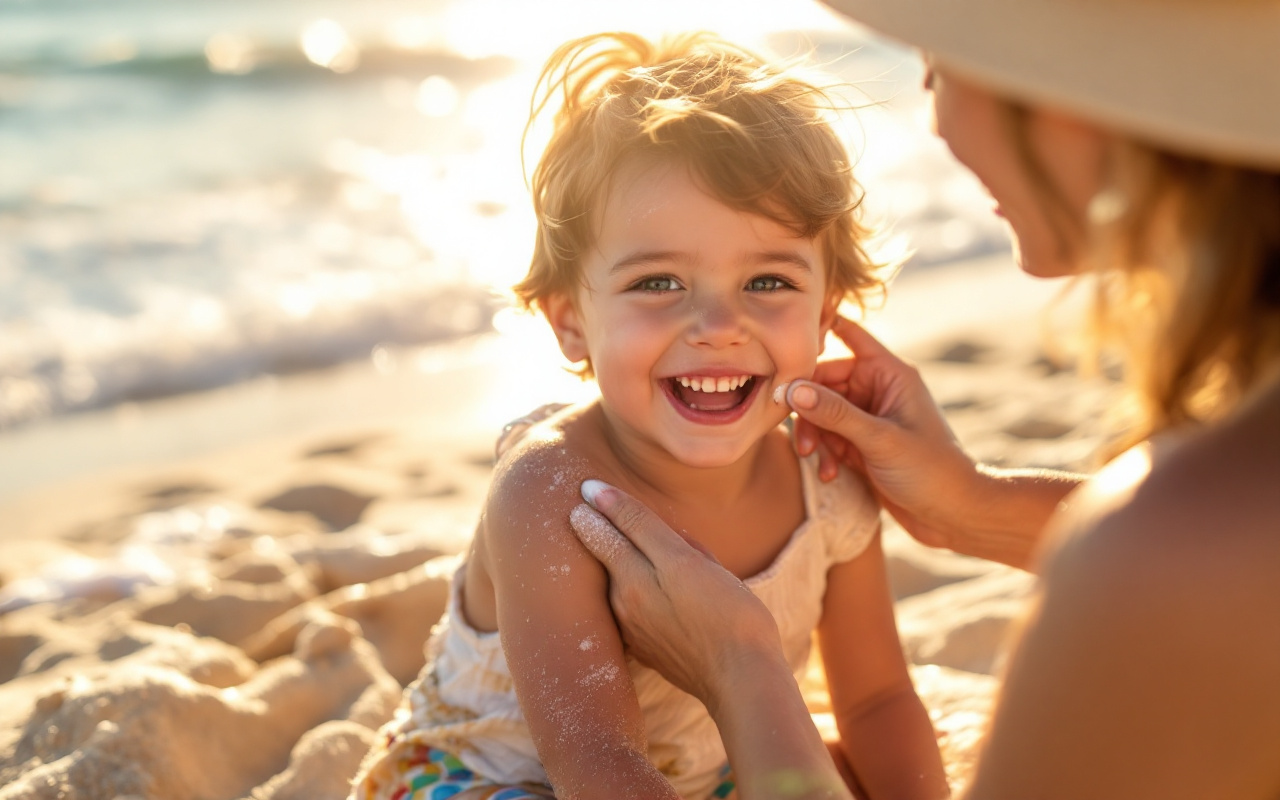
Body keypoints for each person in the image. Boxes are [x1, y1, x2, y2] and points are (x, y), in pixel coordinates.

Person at [567, 2, 1280, 799]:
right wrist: (970, 501)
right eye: (657, 282)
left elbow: (878, 698)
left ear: (1068, 91)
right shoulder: (1214, 511)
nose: (932, 105)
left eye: (943, 56)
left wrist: (742, 669)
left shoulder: (1174, 546)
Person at [350, 31, 949, 800]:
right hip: (514, 780)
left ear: (826, 312)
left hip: (710, 774)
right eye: (659, 282)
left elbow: (877, 699)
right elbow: (595, 761)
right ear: (570, 321)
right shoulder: (551, 492)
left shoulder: (829, 481)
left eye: (768, 282)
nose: (717, 324)